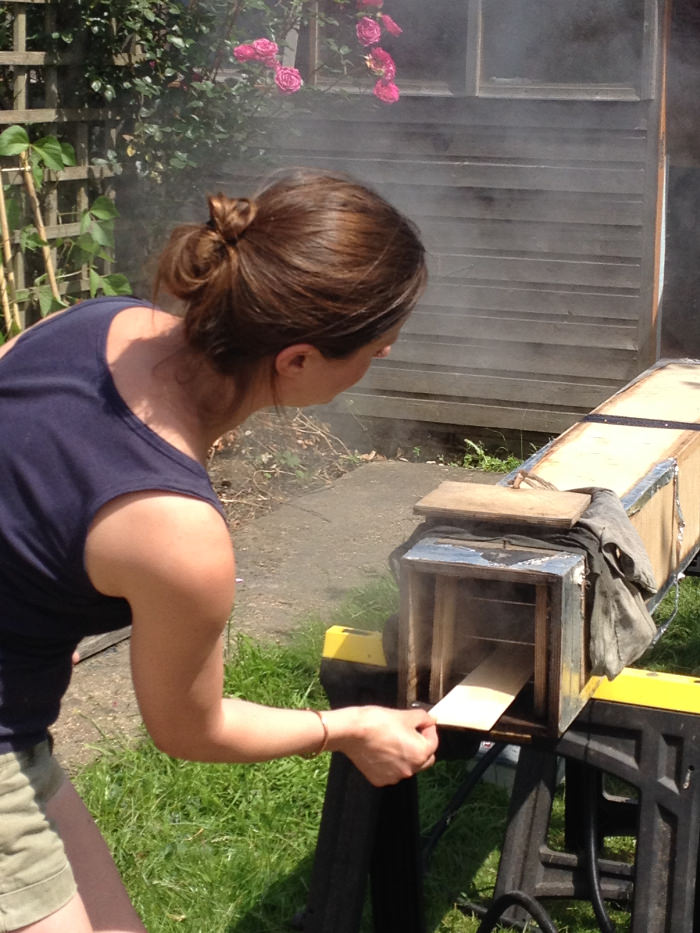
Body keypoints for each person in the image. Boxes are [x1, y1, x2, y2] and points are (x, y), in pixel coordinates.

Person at [0, 168, 438, 932]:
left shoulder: (98, 321)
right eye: (377, 346)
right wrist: (350, 729)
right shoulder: (178, 528)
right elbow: (190, 728)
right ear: (297, 359)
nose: (388, 354)